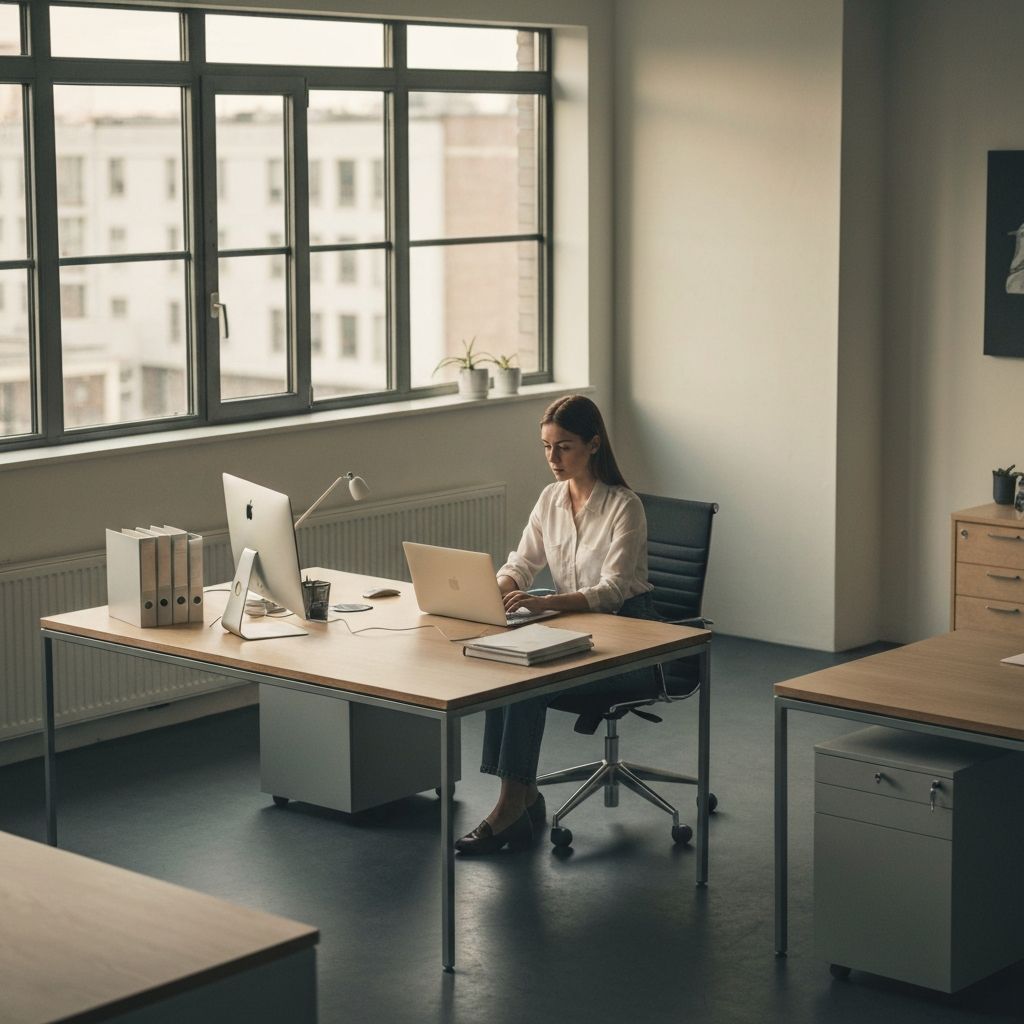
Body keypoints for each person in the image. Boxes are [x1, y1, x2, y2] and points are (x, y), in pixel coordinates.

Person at [455, 394, 656, 855]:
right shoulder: (550, 499)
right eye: (546, 447)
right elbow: (522, 564)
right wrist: (496, 587)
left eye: (563, 447)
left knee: (531, 676)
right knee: (503, 662)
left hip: (632, 639)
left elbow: (611, 591)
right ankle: (521, 796)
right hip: (574, 628)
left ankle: (511, 807)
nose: (553, 459)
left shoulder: (625, 507)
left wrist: (544, 606)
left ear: (593, 445)